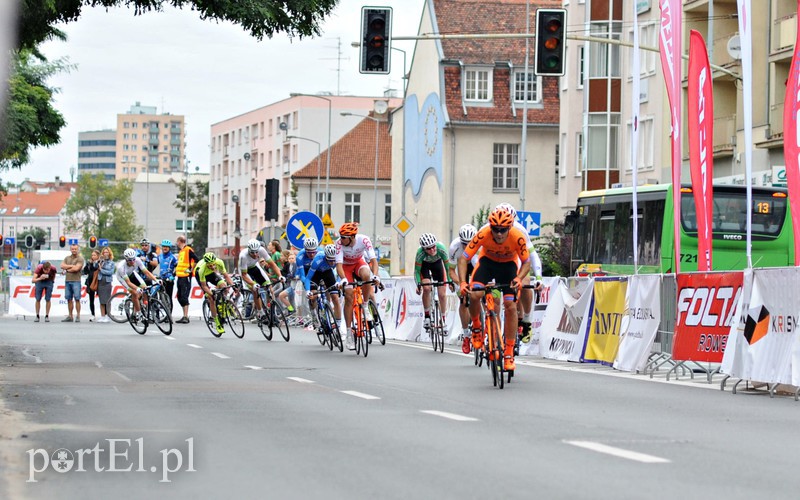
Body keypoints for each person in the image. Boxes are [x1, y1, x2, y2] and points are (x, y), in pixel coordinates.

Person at [458, 208, 530, 372]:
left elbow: (526, 262)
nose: (498, 234)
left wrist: (519, 278)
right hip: (487, 264)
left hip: (508, 267)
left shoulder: (517, 237)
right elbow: (464, 259)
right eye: (495, 229)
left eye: (503, 230)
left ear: (509, 228)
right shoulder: (483, 233)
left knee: (511, 306)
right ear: (490, 227)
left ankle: (509, 353)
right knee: (475, 294)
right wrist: (463, 283)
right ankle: (476, 327)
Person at [494, 202, 543, 345]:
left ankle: (526, 320)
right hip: (496, 263)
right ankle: (492, 333)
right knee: (494, 298)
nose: (502, 231)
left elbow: (532, 256)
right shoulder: (489, 230)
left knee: (525, 284)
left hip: (517, 262)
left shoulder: (520, 231)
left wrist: (539, 278)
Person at [334, 222, 380, 350]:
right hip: (346, 268)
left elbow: (373, 261)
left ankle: (365, 305)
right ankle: (349, 333)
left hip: (359, 262)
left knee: (367, 276)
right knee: (349, 297)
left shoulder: (364, 240)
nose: (341, 239)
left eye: (344, 237)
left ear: (352, 237)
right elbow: (338, 266)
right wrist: (343, 279)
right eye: (340, 236)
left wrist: (375, 276)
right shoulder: (338, 244)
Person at [297, 240, 342, 329]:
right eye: (330, 260)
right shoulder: (315, 259)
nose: (333, 263)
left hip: (327, 272)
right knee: (313, 296)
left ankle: (337, 323)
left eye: (314, 251)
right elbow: (307, 278)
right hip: (315, 273)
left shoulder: (335, 258)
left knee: (335, 297)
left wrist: (338, 281)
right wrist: (308, 290)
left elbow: (341, 272)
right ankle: (314, 315)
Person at [414, 232, 453, 331]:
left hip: (437, 265)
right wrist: (418, 285)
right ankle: (427, 317)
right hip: (425, 266)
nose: (432, 250)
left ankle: (443, 319)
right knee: (426, 288)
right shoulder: (420, 253)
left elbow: (448, 268)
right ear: (423, 249)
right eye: (428, 248)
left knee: (442, 294)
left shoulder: (441, 248)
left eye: (433, 247)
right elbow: (417, 272)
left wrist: (450, 281)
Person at [448, 223, 477, 353]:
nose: (466, 246)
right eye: (464, 243)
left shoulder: (481, 245)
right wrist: (461, 283)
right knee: (464, 300)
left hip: (476, 266)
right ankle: (466, 335)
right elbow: (451, 271)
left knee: (481, 293)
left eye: (469, 243)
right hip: (462, 268)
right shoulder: (454, 247)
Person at [239, 239, 284, 320]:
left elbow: (272, 264)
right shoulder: (243, 256)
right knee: (255, 290)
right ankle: (261, 313)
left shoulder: (262, 250)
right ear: (249, 250)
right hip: (245, 271)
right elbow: (244, 275)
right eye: (252, 252)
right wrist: (253, 284)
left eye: (256, 252)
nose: (255, 254)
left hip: (255, 267)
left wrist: (280, 275)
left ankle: (272, 311)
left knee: (269, 286)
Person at [195, 252, 236, 335]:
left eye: (213, 265)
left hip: (211, 274)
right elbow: (204, 286)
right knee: (211, 298)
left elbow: (226, 276)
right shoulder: (201, 269)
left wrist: (233, 286)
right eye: (210, 265)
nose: (212, 267)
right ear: (206, 264)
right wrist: (211, 293)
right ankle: (217, 322)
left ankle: (224, 304)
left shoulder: (219, 262)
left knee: (224, 286)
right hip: (201, 276)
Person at [116, 248, 159, 321]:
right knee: (135, 293)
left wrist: (156, 280)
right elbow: (128, 282)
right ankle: (138, 314)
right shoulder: (121, 267)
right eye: (130, 260)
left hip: (132, 273)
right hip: (123, 278)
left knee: (145, 288)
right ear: (126, 259)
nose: (132, 261)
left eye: (133, 259)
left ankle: (144, 306)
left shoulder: (137, 260)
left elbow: (146, 272)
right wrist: (137, 288)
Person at [174, 235, 198, 324]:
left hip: (186, 276)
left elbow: (196, 259)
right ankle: (184, 315)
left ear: (180, 241)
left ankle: (186, 316)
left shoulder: (188, 249)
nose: (177, 243)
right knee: (179, 296)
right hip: (180, 276)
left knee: (184, 296)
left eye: (177, 241)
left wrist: (190, 270)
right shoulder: (181, 251)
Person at [60, 244, 85, 322]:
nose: (74, 250)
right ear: (70, 249)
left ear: (78, 250)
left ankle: (78, 315)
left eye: (75, 249)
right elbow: (62, 266)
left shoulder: (80, 259)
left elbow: (76, 268)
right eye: (72, 249)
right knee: (69, 299)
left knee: (77, 299)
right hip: (67, 281)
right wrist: (71, 266)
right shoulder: (67, 258)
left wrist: (67, 269)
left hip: (76, 281)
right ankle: (70, 316)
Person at [157, 239, 178, 311]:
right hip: (161, 279)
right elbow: (154, 264)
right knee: (161, 297)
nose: (165, 248)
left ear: (169, 248)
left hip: (169, 279)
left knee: (168, 297)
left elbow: (177, 268)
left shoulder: (173, 257)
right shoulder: (159, 256)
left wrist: (173, 275)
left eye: (167, 247)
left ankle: (169, 315)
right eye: (163, 246)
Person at [96, 246, 116, 323]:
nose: (105, 253)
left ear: (109, 253)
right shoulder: (101, 261)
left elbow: (110, 272)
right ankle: (102, 316)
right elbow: (96, 268)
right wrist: (100, 261)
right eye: (104, 252)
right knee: (101, 300)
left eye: (107, 252)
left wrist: (102, 270)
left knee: (107, 300)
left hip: (107, 282)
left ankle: (108, 315)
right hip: (100, 282)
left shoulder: (112, 263)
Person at [278, 249, 297, 314]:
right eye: (290, 258)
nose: (291, 259)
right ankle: (291, 311)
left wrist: (289, 276)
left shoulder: (293, 265)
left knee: (292, 300)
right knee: (289, 299)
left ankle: (291, 311)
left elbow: (293, 275)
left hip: (294, 285)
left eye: (292, 258)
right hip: (290, 284)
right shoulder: (290, 265)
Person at [83, 249, 100, 321]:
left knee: (102, 299)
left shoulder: (100, 262)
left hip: (98, 281)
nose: (93, 256)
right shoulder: (89, 263)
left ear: (98, 256)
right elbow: (85, 271)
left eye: (94, 255)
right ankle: (92, 314)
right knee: (91, 299)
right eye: (92, 255)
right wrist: (88, 265)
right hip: (90, 282)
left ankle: (104, 313)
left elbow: (96, 268)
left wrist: (96, 264)